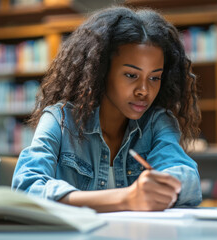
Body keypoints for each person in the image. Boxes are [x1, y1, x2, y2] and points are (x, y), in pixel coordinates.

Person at [12, 6, 202, 212]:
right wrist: (125, 199)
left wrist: (168, 182)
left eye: (154, 78)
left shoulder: (157, 122)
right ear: (102, 71)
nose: (144, 90)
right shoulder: (60, 120)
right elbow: (26, 189)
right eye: (131, 75)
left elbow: (189, 181)